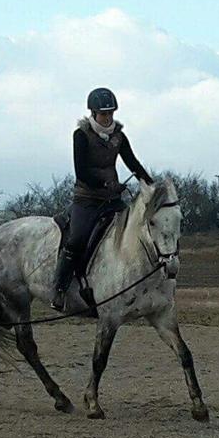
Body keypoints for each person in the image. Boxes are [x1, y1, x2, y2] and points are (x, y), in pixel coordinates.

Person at [51, 88, 153, 310]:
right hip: (86, 199)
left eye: (110, 113)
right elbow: (81, 172)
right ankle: (59, 289)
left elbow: (132, 163)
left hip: (112, 199)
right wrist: (107, 184)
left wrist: (150, 184)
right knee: (76, 240)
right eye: (103, 114)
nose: (107, 118)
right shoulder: (81, 136)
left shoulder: (119, 136)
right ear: (93, 113)